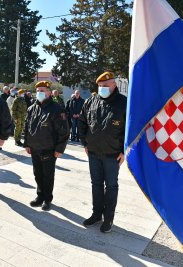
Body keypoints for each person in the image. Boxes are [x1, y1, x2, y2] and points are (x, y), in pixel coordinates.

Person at [78, 71, 126, 233]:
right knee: (96, 185)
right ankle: (96, 214)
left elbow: (129, 131)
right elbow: (83, 122)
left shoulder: (124, 103)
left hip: (113, 155)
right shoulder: (91, 101)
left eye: (105, 86)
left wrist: (124, 151)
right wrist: (84, 143)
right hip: (93, 153)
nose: (102, 88)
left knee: (111, 186)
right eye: (99, 86)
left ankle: (109, 218)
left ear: (114, 85)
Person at [24, 81, 70, 211]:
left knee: (48, 175)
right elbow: (27, 127)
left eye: (43, 90)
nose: (40, 92)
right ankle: (40, 196)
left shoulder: (57, 109)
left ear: (49, 92)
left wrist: (59, 149)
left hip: (49, 149)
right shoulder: (32, 108)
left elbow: (64, 131)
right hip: (34, 148)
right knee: (37, 174)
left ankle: (47, 199)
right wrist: (27, 144)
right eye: (38, 90)